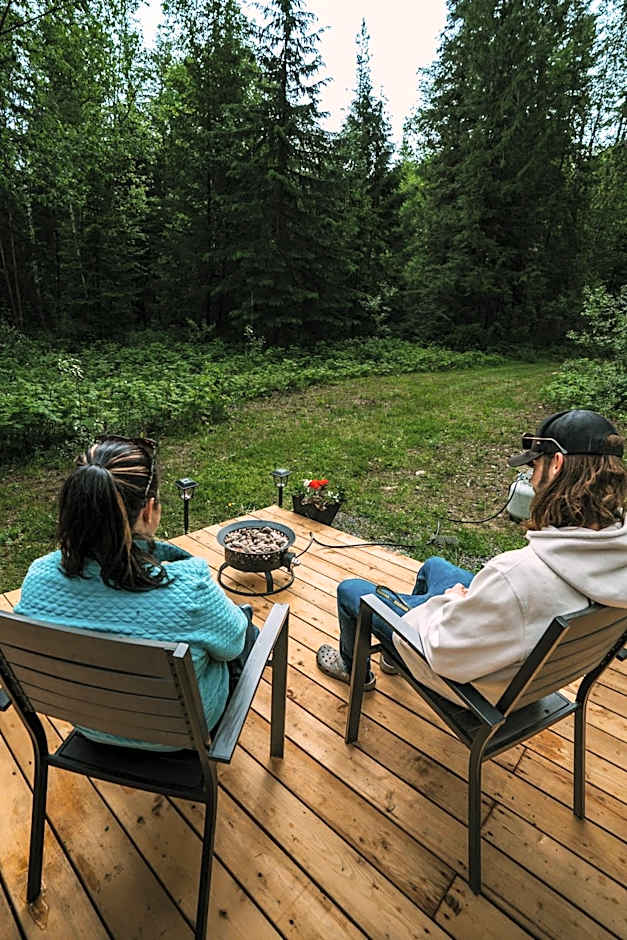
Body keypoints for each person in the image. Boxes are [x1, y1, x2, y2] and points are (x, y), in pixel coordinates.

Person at [317, 409, 627, 704]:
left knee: (352, 591)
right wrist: (471, 603)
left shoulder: (517, 574)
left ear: (557, 464)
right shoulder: (615, 558)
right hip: (529, 674)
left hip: (480, 691)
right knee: (434, 566)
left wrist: (451, 603)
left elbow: (442, 653)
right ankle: (393, 656)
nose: (532, 479)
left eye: (534, 467)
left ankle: (356, 669)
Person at [15, 435, 253, 749]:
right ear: (148, 510)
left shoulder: (38, 579)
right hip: (177, 735)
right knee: (244, 630)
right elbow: (232, 647)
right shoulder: (190, 587)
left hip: (90, 725)